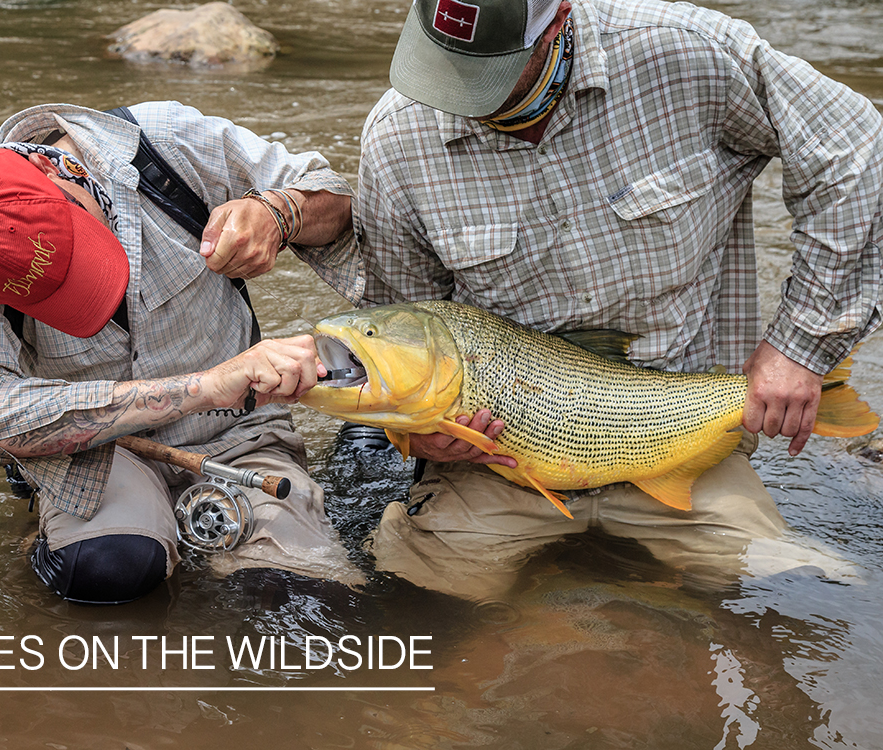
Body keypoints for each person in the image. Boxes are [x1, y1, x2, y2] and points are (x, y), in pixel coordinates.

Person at [354, 0, 882, 601]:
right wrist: (414, 437)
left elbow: (855, 149)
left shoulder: (687, 54)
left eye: (489, 72)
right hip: (498, 463)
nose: (459, 95)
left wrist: (801, 348)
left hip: (678, 437)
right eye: (445, 64)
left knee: (801, 594)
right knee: (413, 606)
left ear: (557, 21)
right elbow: (405, 324)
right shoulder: (396, 140)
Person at [0, 101, 365, 604]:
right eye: (52, 294)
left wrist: (280, 213)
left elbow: (342, 202)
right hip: (95, 453)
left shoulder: (168, 143)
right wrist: (204, 388)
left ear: (52, 166)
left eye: (79, 256)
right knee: (109, 572)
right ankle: (57, 539)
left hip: (240, 438)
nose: (84, 297)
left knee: (302, 598)